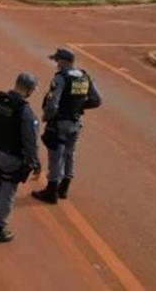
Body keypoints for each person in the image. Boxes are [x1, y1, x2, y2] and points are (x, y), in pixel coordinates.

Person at [32, 47, 102, 204]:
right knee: (70, 154)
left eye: (58, 60)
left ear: (64, 61)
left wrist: (47, 116)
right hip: (76, 123)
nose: (56, 63)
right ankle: (64, 188)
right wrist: (78, 108)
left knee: (55, 156)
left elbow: (52, 104)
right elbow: (97, 100)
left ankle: (51, 192)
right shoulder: (85, 77)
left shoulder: (60, 78)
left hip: (59, 123)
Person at [0, 73, 41, 243]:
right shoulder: (25, 111)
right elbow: (30, 141)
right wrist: (34, 162)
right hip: (11, 157)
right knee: (8, 189)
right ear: (28, 90)